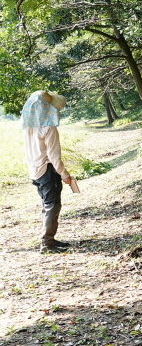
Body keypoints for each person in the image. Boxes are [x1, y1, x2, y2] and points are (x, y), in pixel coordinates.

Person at [21, 91, 75, 254]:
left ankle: (49, 239)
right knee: (52, 205)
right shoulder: (48, 128)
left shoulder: (27, 126)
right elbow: (54, 156)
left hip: (35, 170)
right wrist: (64, 174)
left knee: (47, 205)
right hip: (48, 170)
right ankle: (47, 243)